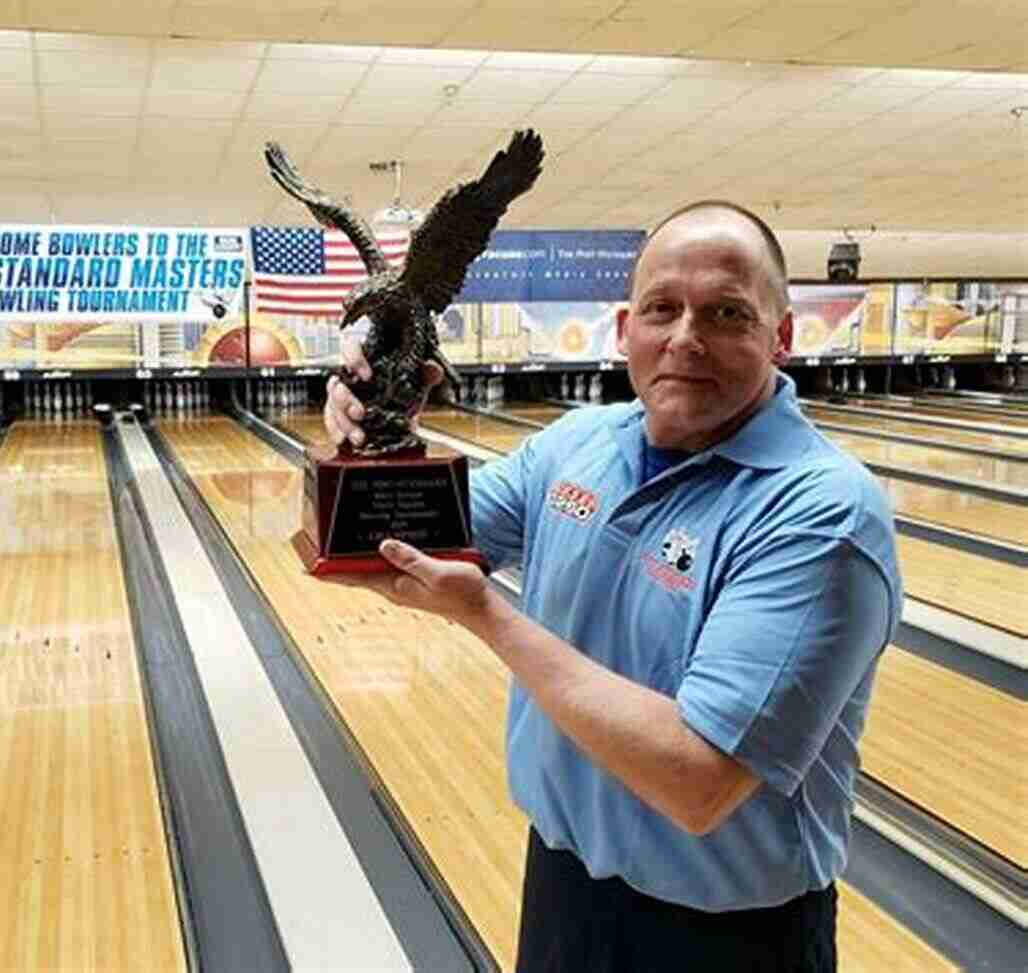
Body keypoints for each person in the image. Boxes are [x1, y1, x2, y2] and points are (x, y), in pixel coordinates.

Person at [323, 200, 902, 971]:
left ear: (781, 338)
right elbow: (408, 549)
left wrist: (490, 618)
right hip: (565, 894)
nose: (686, 338)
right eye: (663, 308)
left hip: (727, 941)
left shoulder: (823, 515)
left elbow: (699, 779)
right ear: (626, 328)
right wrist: (376, 440)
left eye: (727, 313)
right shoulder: (578, 442)